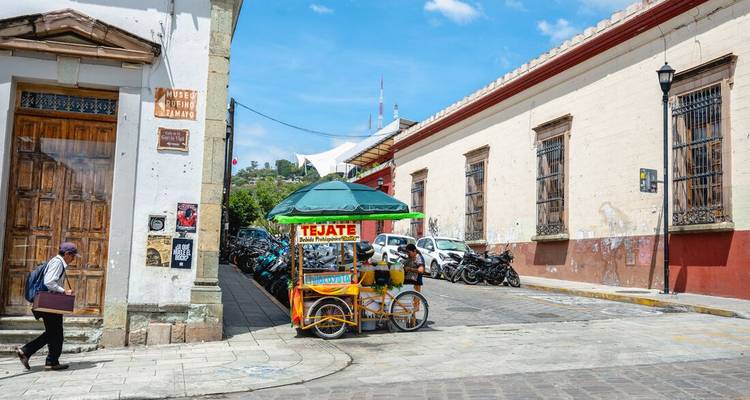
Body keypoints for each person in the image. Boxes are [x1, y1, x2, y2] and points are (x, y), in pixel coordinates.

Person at [16, 243, 77, 371]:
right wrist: (64, 291)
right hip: (50, 303)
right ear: (66, 254)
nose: (73, 259)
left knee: (54, 333)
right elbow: (49, 281)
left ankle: (51, 361)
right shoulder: (57, 263)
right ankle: (27, 351)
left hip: (49, 303)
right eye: (73, 255)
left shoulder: (56, 262)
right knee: (55, 333)